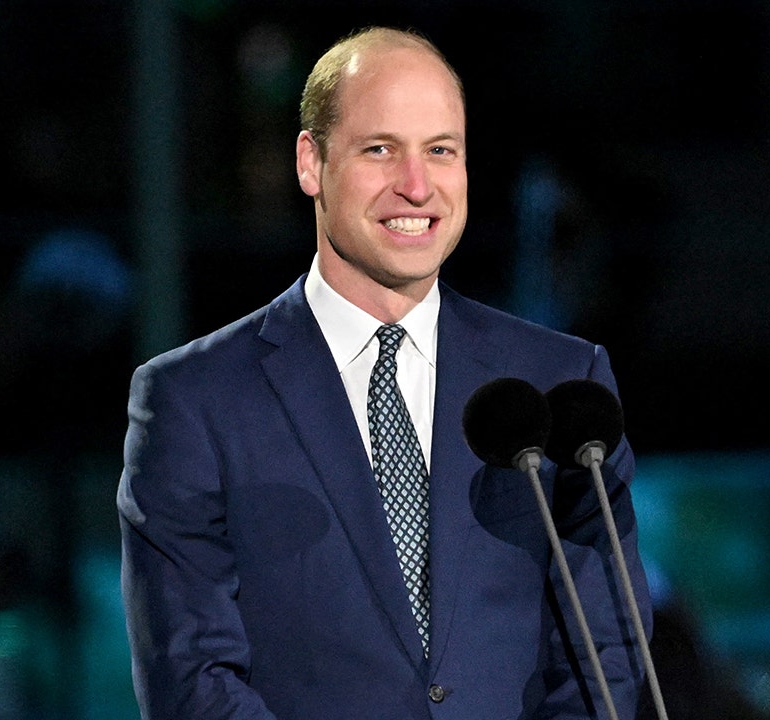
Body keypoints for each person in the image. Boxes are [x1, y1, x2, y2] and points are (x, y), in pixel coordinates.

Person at [118, 26, 656, 719]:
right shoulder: (193, 400)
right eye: (381, 150)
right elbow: (190, 677)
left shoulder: (561, 381)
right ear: (311, 162)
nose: (415, 185)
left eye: (441, 151)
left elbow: (604, 650)